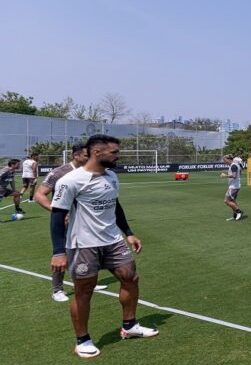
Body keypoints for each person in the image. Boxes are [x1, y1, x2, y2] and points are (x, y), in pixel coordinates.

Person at [50, 134, 159, 359]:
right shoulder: (70, 180)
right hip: (83, 244)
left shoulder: (111, 176)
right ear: (97, 152)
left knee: (130, 277)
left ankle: (129, 326)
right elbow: (57, 215)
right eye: (115, 152)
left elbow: (115, 205)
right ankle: (82, 340)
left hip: (113, 240)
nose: (118, 156)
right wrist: (59, 251)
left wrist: (128, 233)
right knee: (84, 291)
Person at [34, 143, 106, 302]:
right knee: (62, 253)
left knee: (87, 252)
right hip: (67, 223)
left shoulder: (91, 172)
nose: (90, 158)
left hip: (86, 222)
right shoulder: (60, 173)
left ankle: (85, 281)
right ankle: (57, 289)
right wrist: (58, 211)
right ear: (76, 156)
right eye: (87, 156)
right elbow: (39, 195)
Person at [220, 154, 244, 221]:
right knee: (232, 201)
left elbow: (234, 176)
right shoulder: (233, 165)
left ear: (229, 159)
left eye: (225, 160)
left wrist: (225, 175)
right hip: (234, 186)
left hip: (234, 186)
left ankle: (239, 212)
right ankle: (235, 216)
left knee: (226, 201)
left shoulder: (233, 166)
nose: (224, 161)